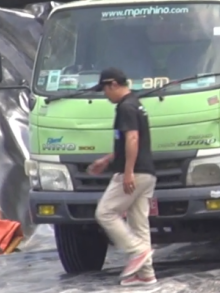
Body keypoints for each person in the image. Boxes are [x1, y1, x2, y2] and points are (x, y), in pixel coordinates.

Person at [90, 67, 158, 287]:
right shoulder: (136, 104)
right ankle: (146, 274)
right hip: (147, 173)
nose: (104, 94)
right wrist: (108, 159)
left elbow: (133, 139)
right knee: (139, 223)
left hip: (134, 172)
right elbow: (127, 141)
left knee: (105, 212)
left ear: (113, 84)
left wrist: (127, 172)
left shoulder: (126, 107)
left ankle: (137, 251)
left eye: (104, 89)